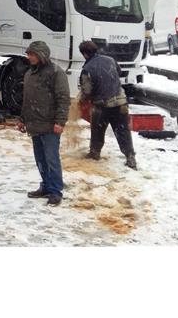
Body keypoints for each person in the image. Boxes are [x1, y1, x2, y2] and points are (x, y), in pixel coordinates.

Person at [17, 40, 70, 206]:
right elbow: (27, 99)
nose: (29, 57)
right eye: (28, 54)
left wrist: (60, 121)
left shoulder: (56, 72)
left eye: (32, 54)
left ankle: (55, 191)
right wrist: (23, 119)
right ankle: (46, 186)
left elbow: (63, 99)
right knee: (40, 159)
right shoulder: (29, 74)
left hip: (50, 125)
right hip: (34, 124)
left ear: (42, 55)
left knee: (51, 159)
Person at [77, 40, 137, 170]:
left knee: (97, 131)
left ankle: (95, 153)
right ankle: (130, 157)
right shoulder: (110, 60)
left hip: (101, 105)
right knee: (123, 131)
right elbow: (118, 72)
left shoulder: (87, 69)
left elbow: (87, 91)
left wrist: (81, 99)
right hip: (120, 102)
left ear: (85, 54)